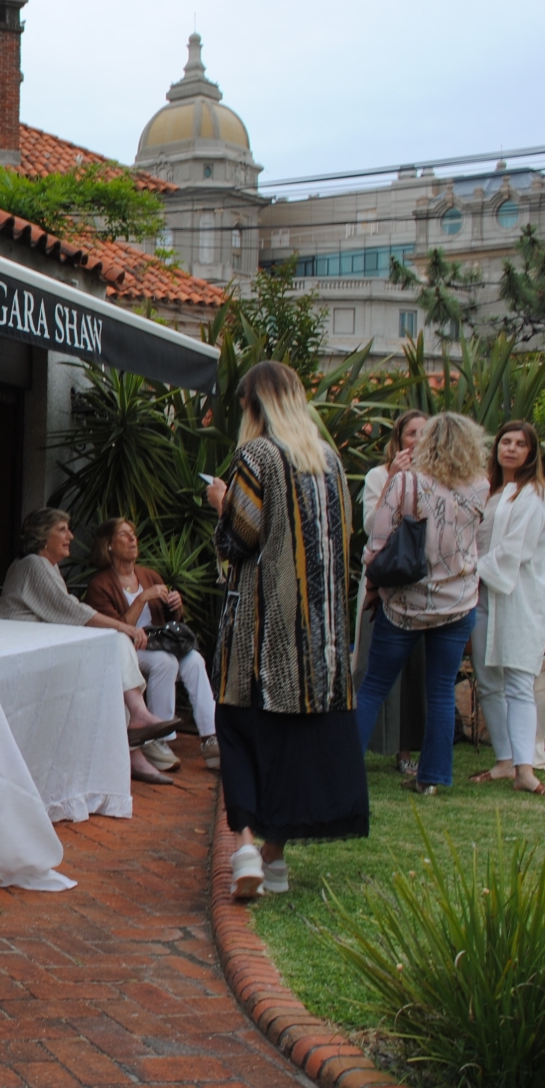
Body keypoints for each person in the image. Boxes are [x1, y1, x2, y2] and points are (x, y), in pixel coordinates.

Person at [206, 362, 366, 900]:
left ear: (255, 406)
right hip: (317, 644)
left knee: (238, 733)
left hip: (260, 635)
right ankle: (274, 862)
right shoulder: (330, 460)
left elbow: (238, 539)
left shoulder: (258, 456)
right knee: (293, 749)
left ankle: (247, 846)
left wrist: (220, 504)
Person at [0, 509, 185, 784]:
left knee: (113, 658)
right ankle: (137, 728)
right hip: (25, 651)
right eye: (62, 529)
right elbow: (70, 610)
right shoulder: (33, 564)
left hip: (41, 644)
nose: (70, 535)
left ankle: (136, 730)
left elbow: (66, 613)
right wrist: (124, 627)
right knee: (116, 643)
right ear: (42, 536)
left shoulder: (46, 565)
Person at [355, 411, 489, 796]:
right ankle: (432, 778)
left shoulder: (406, 483)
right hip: (459, 600)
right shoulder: (480, 484)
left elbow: (377, 546)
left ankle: (344, 770)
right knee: (442, 690)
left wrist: (375, 585)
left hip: (407, 603)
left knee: (374, 685)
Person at [85, 519, 219, 773]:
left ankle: (210, 737)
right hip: (127, 650)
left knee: (194, 660)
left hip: (158, 644)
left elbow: (170, 623)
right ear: (109, 546)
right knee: (164, 663)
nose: (133, 539)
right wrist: (142, 598)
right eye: (124, 535)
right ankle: (157, 738)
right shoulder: (100, 585)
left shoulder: (149, 575)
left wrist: (176, 607)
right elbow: (118, 627)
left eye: (133, 535)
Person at [467, 419, 545, 796]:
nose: (511, 448)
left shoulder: (535, 496)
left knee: (519, 681)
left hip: (518, 597)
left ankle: (525, 770)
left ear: (531, 453)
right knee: (488, 680)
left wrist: (469, 568)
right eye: (505, 441)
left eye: (520, 444)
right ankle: (505, 760)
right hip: (484, 594)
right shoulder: (490, 492)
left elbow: (514, 553)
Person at [356, 411, 429, 775]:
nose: (417, 439)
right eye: (411, 433)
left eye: (424, 433)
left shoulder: (439, 479)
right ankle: (361, 748)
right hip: (383, 579)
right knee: (373, 665)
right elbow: (371, 526)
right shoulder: (378, 475)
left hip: (422, 584)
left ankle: (405, 752)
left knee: (416, 669)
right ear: (399, 439)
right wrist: (395, 482)